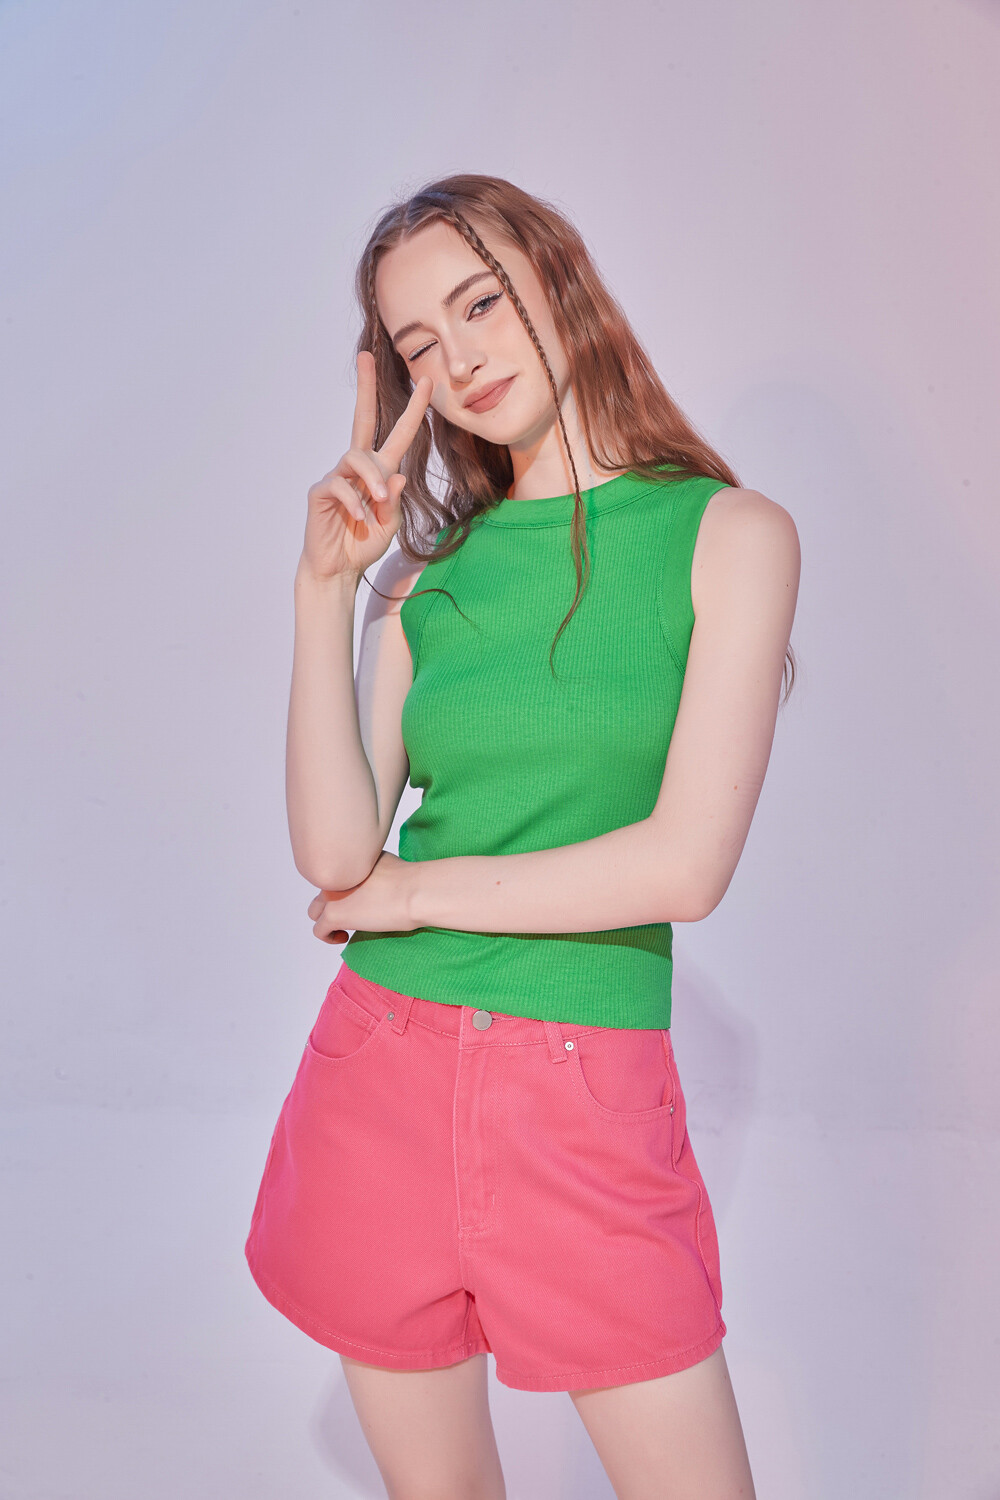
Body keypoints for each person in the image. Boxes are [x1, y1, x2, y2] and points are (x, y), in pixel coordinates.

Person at [245, 172, 800, 1500]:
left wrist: (416, 895)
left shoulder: (729, 536)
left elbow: (685, 867)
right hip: (378, 1075)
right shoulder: (423, 573)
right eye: (419, 344)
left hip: (584, 1094)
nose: (461, 358)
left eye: (480, 303)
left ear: (557, 275)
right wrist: (324, 592)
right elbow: (336, 857)